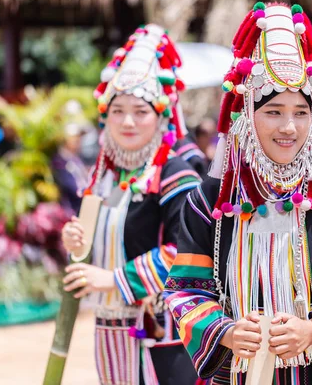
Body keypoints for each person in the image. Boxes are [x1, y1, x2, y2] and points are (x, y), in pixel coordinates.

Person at [164, 2, 312, 385]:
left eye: (301, 112)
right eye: (273, 111)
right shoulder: (210, 198)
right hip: (239, 374)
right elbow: (185, 289)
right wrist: (225, 331)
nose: (289, 127)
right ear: (246, 111)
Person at [60, 24, 200, 385]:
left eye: (140, 111)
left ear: (161, 116)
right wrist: (77, 241)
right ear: (104, 114)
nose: (127, 121)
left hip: (165, 332)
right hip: (110, 325)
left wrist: (114, 279)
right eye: (118, 109)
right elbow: (94, 239)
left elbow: (190, 251)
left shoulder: (174, 174)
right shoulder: (103, 172)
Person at [51, 122, 91, 214]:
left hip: (82, 206)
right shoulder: (59, 161)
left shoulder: (75, 158)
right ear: (66, 140)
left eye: (79, 138)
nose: (79, 141)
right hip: (71, 210)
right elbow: (72, 187)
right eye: (75, 138)